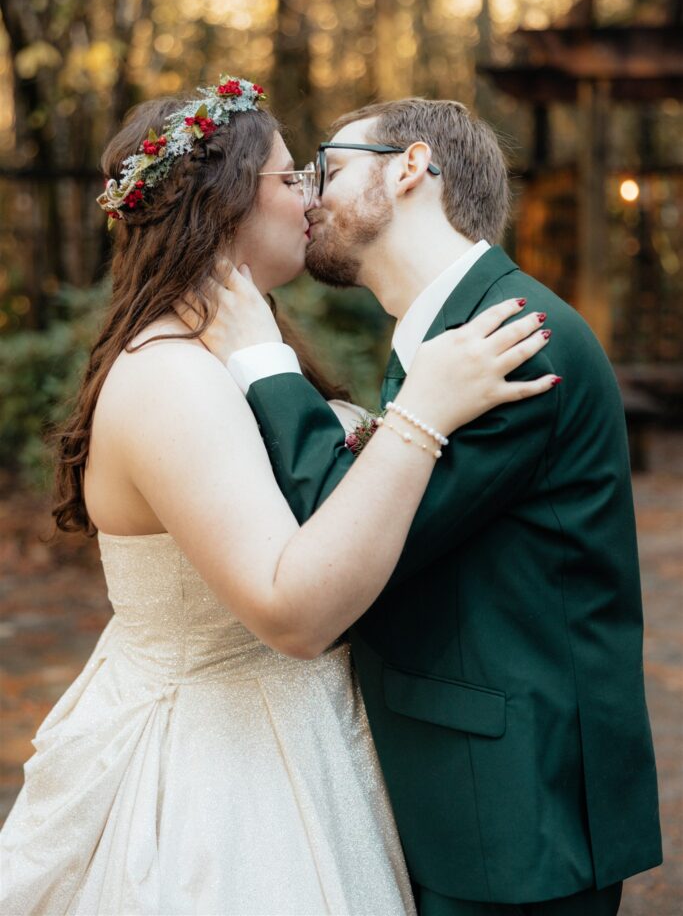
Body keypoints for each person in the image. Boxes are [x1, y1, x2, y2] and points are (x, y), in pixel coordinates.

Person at [0, 78, 558, 916]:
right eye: (290, 176)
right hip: (221, 780)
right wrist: (420, 417)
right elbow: (292, 616)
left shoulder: (234, 349)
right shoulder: (170, 379)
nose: (309, 197)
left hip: (306, 735)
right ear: (226, 200)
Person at [204, 98, 663, 916]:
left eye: (329, 167)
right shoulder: (450, 332)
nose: (309, 195)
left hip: (516, 814)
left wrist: (264, 363)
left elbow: (347, 532)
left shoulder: (513, 340)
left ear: (409, 168)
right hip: (466, 790)